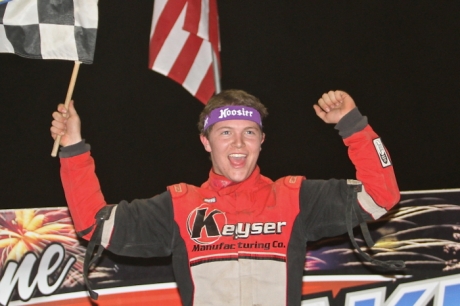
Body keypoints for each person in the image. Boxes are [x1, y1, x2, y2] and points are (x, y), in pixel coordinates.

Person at [50, 89, 400, 306]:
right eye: (225, 133)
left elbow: (381, 195)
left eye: (249, 133)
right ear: (206, 141)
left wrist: (353, 125)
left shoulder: (294, 197)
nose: (238, 144)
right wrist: (73, 148)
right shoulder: (179, 205)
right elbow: (93, 223)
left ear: (261, 141)